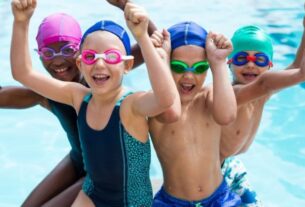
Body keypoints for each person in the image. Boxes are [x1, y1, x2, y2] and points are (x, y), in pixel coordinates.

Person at [11, 1, 179, 207]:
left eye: (111, 56)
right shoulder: (78, 97)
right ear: (81, 63)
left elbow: (165, 98)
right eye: (90, 57)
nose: (100, 63)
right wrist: (21, 22)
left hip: (130, 202)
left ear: (127, 65)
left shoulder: (131, 105)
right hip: (92, 194)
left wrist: (143, 37)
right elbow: (23, 73)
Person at [149, 21, 241, 206]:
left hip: (220, 198)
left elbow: (227, 116)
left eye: (199, 68)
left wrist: (219, 62)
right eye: (178, 66)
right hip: (172, 202)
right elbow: (170, 113)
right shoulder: (156, 104)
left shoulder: (208, 97)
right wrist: (161, 62)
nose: (189, 76)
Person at [219, 23, 305, 206]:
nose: (250, 64)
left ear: (269, 65)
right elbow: (293, 75)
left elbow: (297, 65)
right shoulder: (231, 94)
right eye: (242, 58)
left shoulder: (261, 95)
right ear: (230, 62)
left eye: (259, 60)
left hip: (231, 165)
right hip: (211, 173)